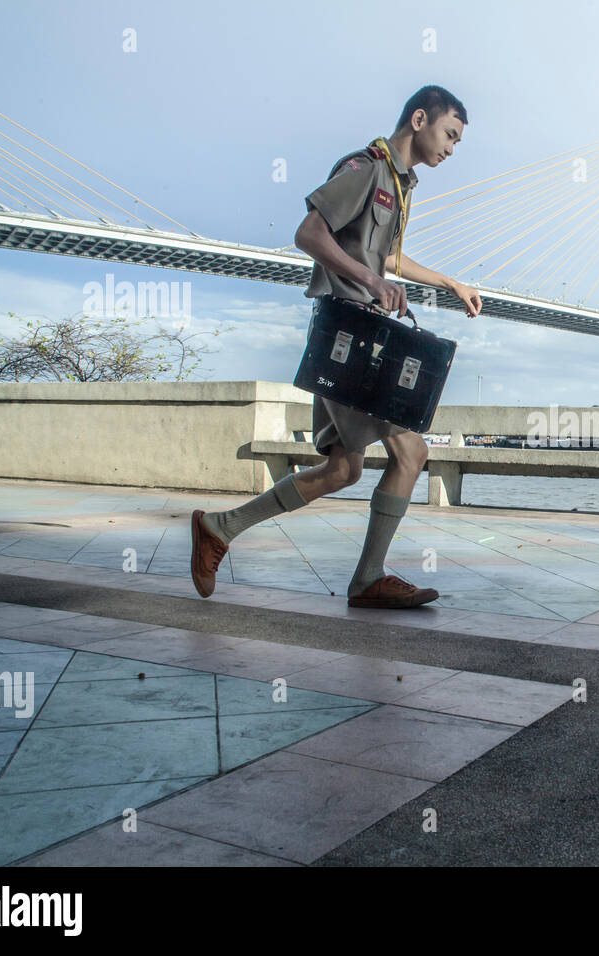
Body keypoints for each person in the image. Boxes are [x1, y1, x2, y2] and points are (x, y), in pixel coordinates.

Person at [191, 85, 482, 609]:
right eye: (450, 135)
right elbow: (309, 234)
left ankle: (219, 527)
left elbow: (387, 256)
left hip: (347, 337)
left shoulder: (399, 182)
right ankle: (368, 577)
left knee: (342, 470)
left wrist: (448, 283)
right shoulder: (366, 167)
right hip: (348, 336)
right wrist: (370, 283)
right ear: (420, 119)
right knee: (411, 450)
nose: (451, 149)